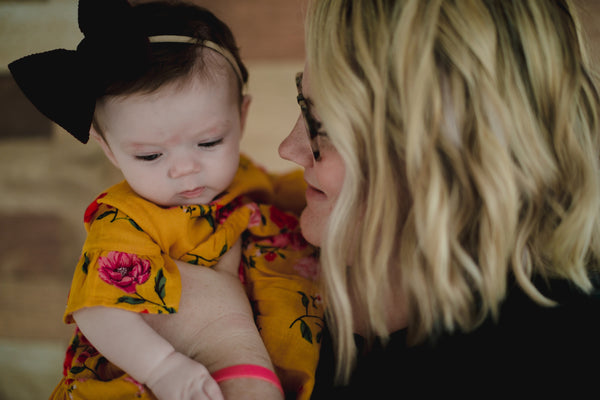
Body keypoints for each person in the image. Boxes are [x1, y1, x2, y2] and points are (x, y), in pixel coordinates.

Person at [278, 0, 600, 397]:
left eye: (320, 127)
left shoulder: (560, 361)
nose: (288, 149)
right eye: (302, 100)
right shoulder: (276, 241)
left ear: (446, 159)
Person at [8, 1, 322, 399]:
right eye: (150, 155)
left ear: (241, 118)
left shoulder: (244, 177)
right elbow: (97, 310)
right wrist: (163, 367)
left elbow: (291, 196)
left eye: (209, 142)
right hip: (167, 381)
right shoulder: (128, 220)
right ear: (110, 150)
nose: (184, 170)